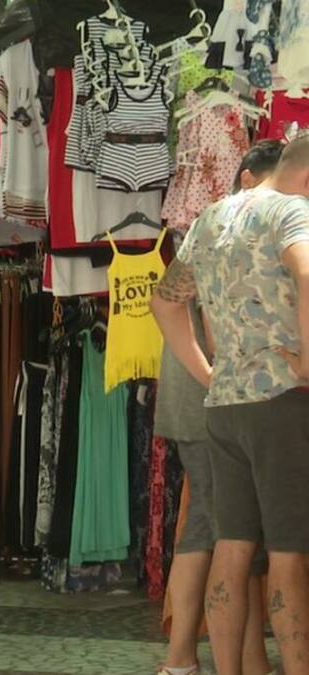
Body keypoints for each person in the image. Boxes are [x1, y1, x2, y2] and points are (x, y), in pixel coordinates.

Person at [152, 135, 309, 675]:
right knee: (291, 554)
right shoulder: (293, 213)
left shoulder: (215, 215)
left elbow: (165, 301)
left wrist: (208, 374)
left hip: (225, 403)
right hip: (284, 402)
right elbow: (308, 274)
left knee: (231, 546)